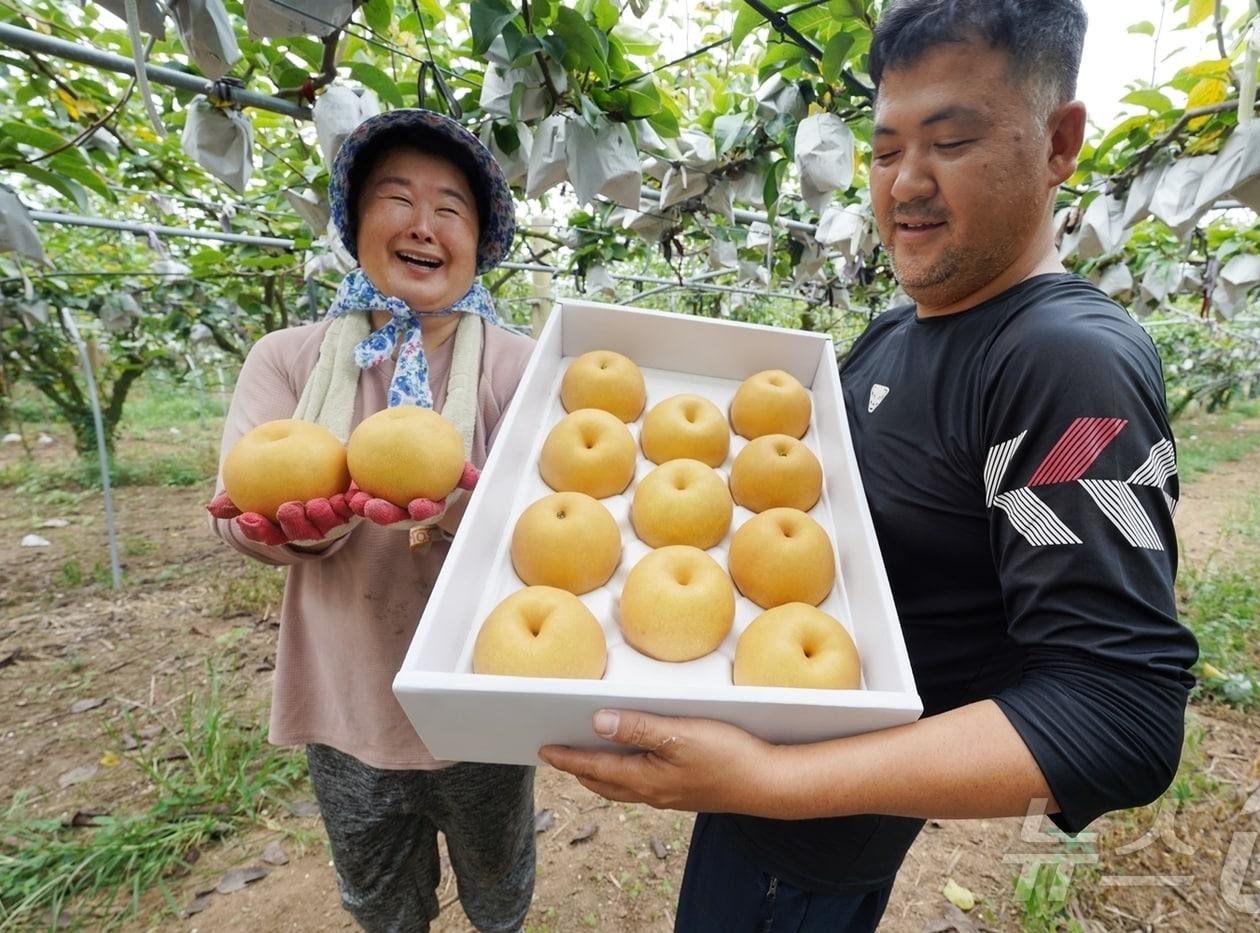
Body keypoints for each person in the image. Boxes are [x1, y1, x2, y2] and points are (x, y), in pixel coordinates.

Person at [537, 1, 1199, 929]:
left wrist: (777, 779)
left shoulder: (1064, 367)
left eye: (952, 139)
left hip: (816, 834)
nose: (905, 186)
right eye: (886, 152)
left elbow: (1117, 712)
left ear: (1059, 143)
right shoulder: (898, 330)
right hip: (761, 778)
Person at [208, 109, 536, 933]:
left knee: (499, 890)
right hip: (348, 696)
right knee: (382, 901)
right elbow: (240, 504)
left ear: (478, 242)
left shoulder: (517, 363)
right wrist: (281, 528)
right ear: (355, 224)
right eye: (397, 199)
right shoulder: (288, 358)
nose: (424, 226)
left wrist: (462, 503)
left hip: (478, 698)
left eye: (451, 209)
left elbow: (544, 526)